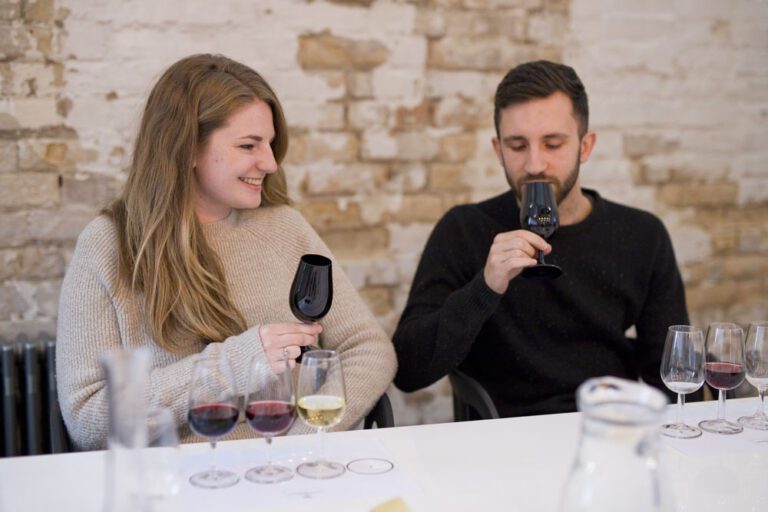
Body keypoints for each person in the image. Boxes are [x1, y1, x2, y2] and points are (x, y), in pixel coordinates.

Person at [56, 54, 397, 450]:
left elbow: (369, 349)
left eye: (269, 144)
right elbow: (89, 418)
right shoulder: (108, 246)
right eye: (248, 145)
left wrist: (301, 444)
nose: (269, 162)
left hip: (291, 477)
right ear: (187, 149)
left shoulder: (285, 228)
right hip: (177, 485)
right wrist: (236, 364)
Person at [392, 60, 693, 417]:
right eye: (517, 146)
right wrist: (485, 286)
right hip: (502, 443)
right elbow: (408, 371)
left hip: (606, 433)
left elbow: (674, 375)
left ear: (585, 146)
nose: (535, 164)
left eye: (552, 144)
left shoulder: (642, 235)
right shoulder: (464, 229)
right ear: (498, 149)